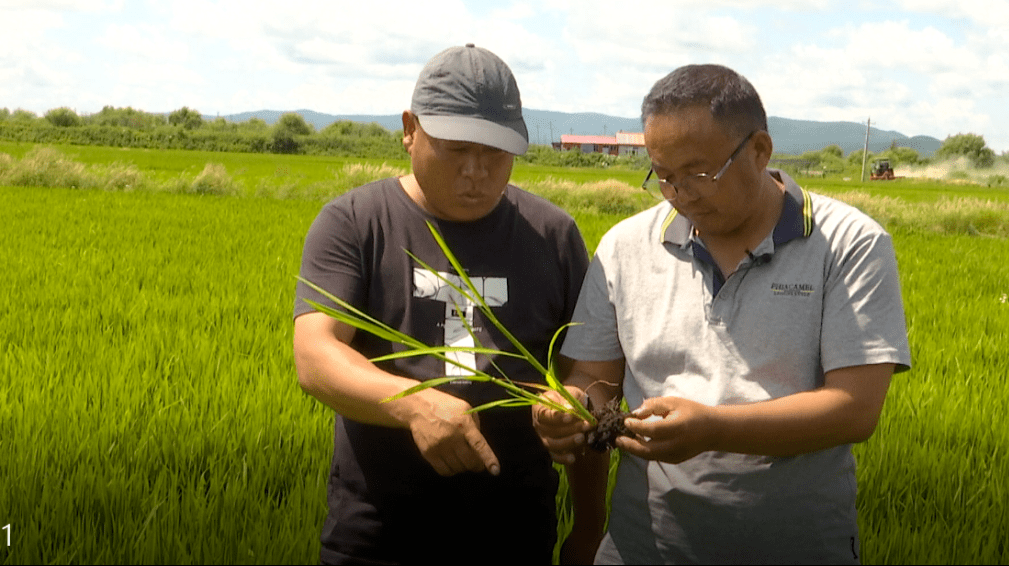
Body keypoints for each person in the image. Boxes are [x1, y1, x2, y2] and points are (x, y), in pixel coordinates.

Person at [533, 64, 911, 564]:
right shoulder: (624, 246)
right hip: (644, 545)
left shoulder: (848, 243)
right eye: (663, 175)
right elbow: (594, 376)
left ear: (759, 151)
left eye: (699, 173)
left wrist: (713, 429)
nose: (680, 194)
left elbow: (855, 407)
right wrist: (574, 405)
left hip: (796, 548)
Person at [293, 44, 589, 565]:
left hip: (515, 532)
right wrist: (414, 403)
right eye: (455, 148)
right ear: (410, 129)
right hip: (377, 536)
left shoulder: (553, 235)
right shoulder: (356, 223)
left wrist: (573, 408)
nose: (476, 171)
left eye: (495, 153)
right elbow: (316, 356)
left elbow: (588, 371)